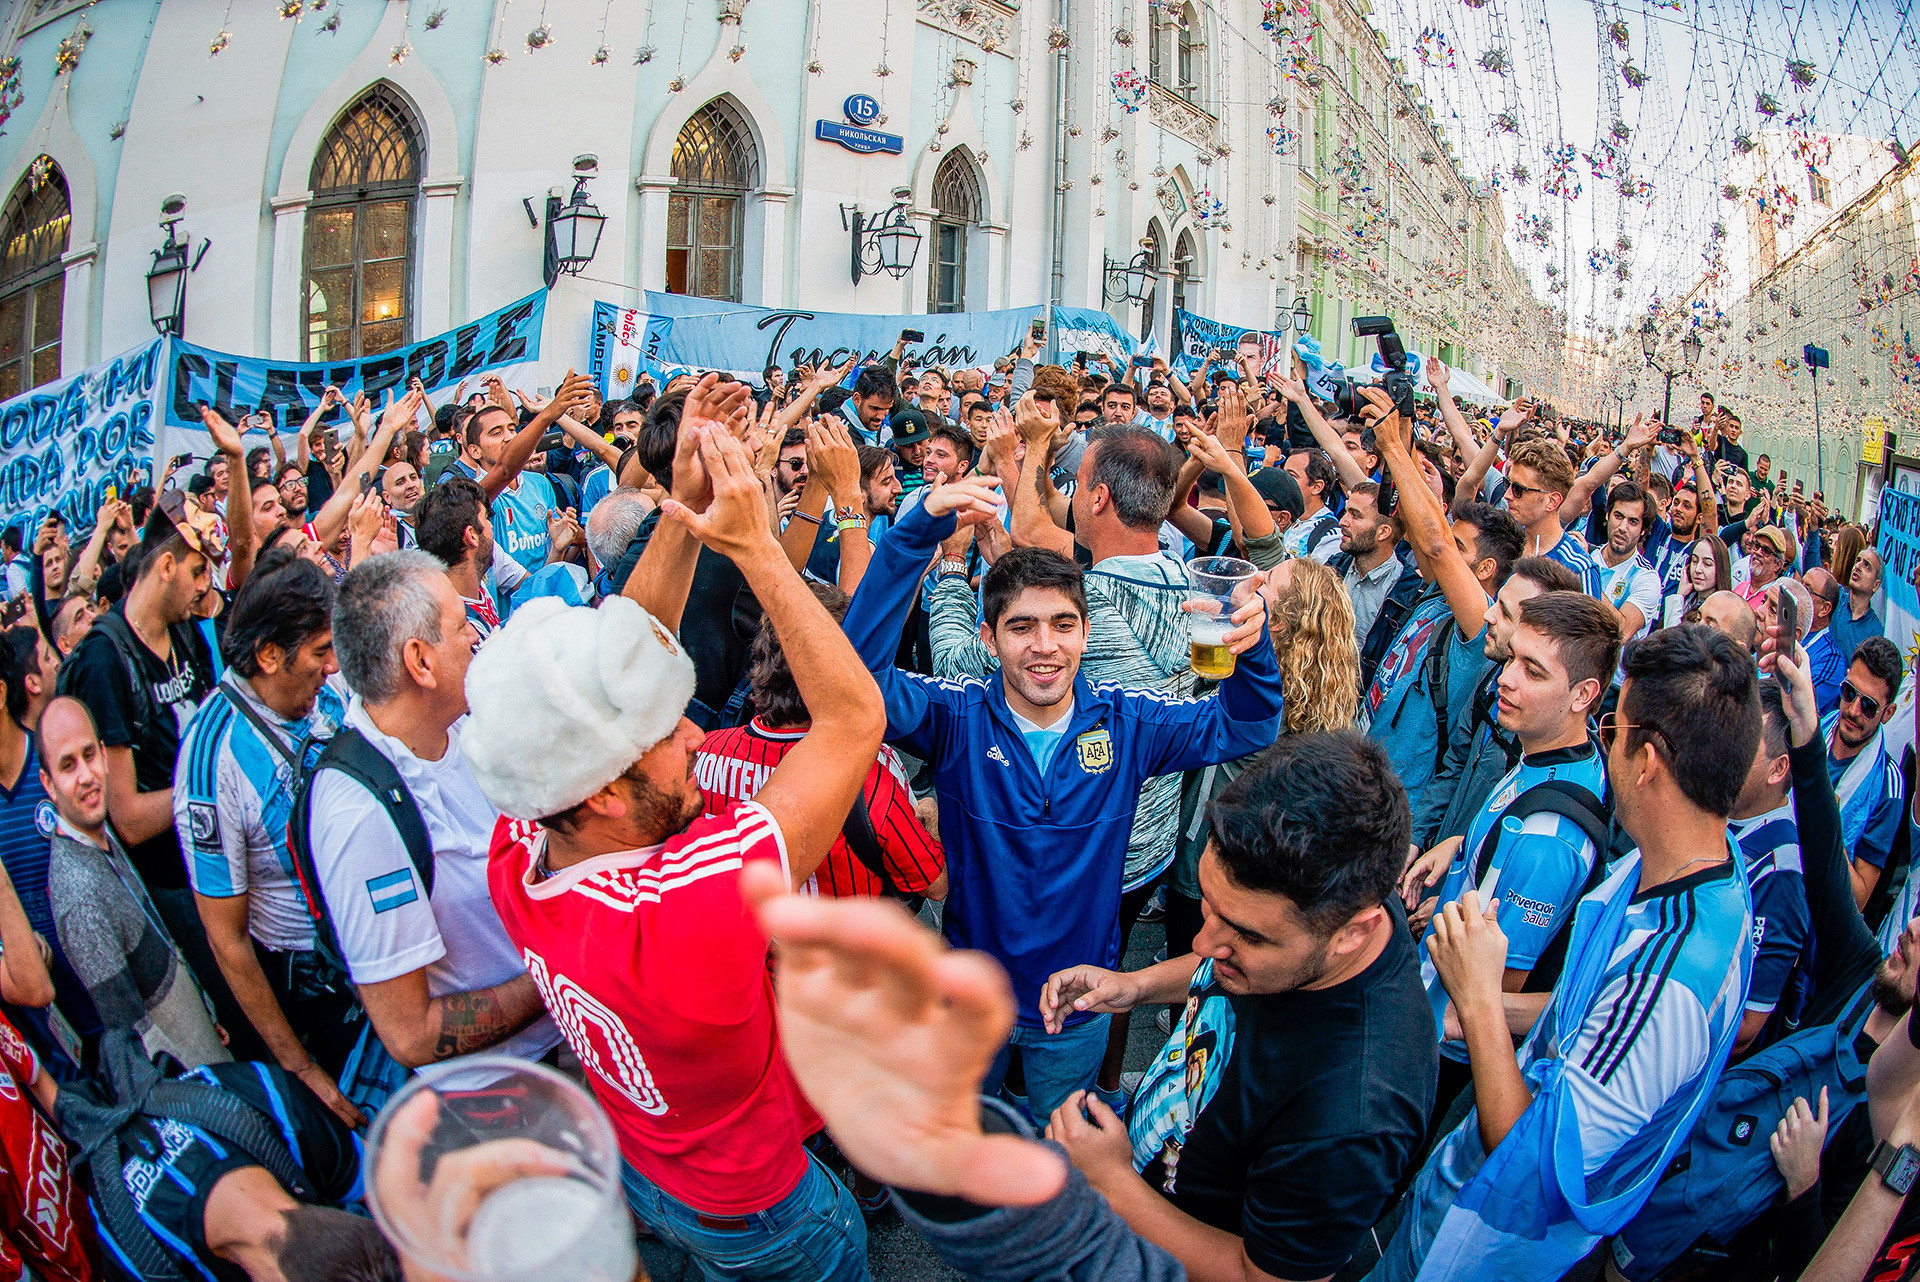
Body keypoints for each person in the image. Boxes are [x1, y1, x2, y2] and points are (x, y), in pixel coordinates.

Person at [471, 401, 887, 1280]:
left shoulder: (522, 845)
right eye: (665, 737)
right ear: (607, 797)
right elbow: (852, 721)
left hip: (646, 1164)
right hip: (764, 1208)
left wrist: (683, 506)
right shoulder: (689, 902)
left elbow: (618, 666)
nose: (696, 736)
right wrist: (758, 549)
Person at [843, 466, 1284, 1123]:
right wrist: (912, 537)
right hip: (974, 997)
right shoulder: (956, 715)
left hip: (1080, 1000)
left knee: (1064, 1149)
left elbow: (1245, 723)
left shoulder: (1128, 721)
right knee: (969, 1136)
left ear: (1085, 633)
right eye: (1021, 628)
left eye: (1062, 625)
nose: (1045, 647)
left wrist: (1253, 648)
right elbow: (860, 681)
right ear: (989, 641)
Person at [1369, 624, 1758, 1282]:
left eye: (1613, 726)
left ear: (1650, 759)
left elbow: (1537, 1169)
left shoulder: (1668, 983)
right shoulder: (1686, 868)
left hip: (1479, 1250)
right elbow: (1579, 1018)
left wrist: (1479, 1000)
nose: (1602, 744)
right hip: (1446, 1204)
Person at [1036, 732, 1436, 1282]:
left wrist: (1114, 1183)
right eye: (1210, 902)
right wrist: (1137, 985)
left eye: (1246, 934)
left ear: (1351, 933)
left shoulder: (1352, 1114)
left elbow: (1265, 1277)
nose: (1202, 944)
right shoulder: (1339, 880)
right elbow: (1220, 969)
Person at [306, 552, 559, 1070]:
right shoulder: (360, 818)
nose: (476, 636)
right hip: (499, 1096)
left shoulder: (465, 726)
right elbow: (412, 1035)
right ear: (420, 661)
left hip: (565, 1041)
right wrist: (563, 974)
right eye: (462, 624)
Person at [1400, 590, 1619, 1120]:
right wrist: (1459, 853)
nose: (1506, 678)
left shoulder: (1549, 837)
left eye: (1534, 671)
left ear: (1583, 694)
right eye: (1513, 658)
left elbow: (1495, 990)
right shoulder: (1550, 752)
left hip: (1438, 1047)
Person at [173, 551, 365, 1127]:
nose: (332, 668)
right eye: (319, 652)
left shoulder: (324, 695)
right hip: (319, 984)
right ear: (269, 654)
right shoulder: (211, 765)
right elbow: (227, 940)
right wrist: (302, 1068)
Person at [697, 580, 947, 903]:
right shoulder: (872, 776)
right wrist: (930, 814)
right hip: (842, 948)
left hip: (740, 945)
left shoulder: (704, 754)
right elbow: (934, 883)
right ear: (849, 669)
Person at [40, 696, 229, 1068]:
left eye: (89, 754)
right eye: (67, 765)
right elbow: (134, 1037)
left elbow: (157, 934)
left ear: (105, 757)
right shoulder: (79, 896)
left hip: (199, 1043)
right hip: (188, 1085)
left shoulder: (97, 829)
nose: (85, 776)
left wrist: (203, 1010)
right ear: (48, 785)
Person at [1413, 557, 1583, 851]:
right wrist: (1415, 837)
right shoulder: (1490, 676)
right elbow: (1455, 766)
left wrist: (1460, 854)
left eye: (1504, 613)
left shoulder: (1544, 731)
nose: (1488, 615)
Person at [1724, 681, 1814, 1054]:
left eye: (1742, 742)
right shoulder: (1726, 806)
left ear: (1778, 769)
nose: (1723, 749)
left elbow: (1746, 1026)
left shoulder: (1781, 875)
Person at [1825, 636, 1905, 911]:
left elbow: (1858, 900)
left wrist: (1829, 825)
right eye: (1849, 693)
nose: (1853, 710)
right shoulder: (1812, 729)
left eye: (1869, 706)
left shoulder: (1888, 786)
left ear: (1888, 713)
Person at [1332, 482, 1416, 690]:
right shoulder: (1333, 568)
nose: (1343, 522)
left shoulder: (1407, 593)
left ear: (1383, 532)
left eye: (1355, 515)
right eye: (1345, 512)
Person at [1502, 437, 1602, 595]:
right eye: (1507, 484)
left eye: (1518, 489)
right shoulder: (1505, 540)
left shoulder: (1578, 570)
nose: (1507, 495)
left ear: (1552, 501)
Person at [1595, 481, 1661, 641]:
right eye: (1618, 516)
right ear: (1607, 515)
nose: (1623, 527)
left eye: (1633, 522)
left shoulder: (1646, 577)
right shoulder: (1589, 557)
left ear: (1643, 529)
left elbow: (1621, 632)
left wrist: (1586, 573)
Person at [1282, 448, 1342, 564]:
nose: (1282, 481)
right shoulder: (1287, 520)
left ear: (1316, 487)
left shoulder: (1329, 535)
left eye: (1291, 476)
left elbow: (1312, 580)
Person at [1800, 566, 1846, 715]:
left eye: (1807, 590)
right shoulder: (1783, 626)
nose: (1798, 592)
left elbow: (1800, 702)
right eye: (1800, 584)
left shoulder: (1831, 658)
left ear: (1824, 609)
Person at [1829, 544, 1886, 664]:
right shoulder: (1835, 596)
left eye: (1867, 566)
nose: (1858, 566)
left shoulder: (1875, 632)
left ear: (1876, 585)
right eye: (1858, 560)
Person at [1663, 533, 1733, 627]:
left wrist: (1678, 598)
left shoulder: (1716, 613)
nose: (1697, 569)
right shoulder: (1689, 600)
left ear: (1720, 569)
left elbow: (1673, 639)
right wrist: (1680, 595)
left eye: (1707, 564)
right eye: (1695, 561)